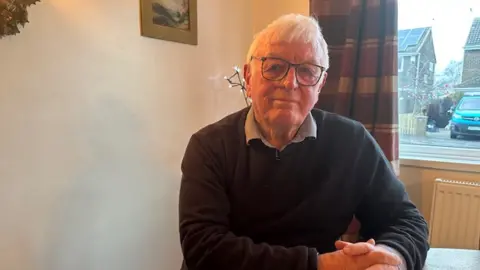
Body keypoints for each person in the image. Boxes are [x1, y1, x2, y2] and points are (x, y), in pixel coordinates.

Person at [178, 14, 429, 270]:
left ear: (320, 86)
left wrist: (391, 258)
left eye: (307, 71)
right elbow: (203, 248)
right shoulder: (207, 146)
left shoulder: (352, 142)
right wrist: (319, 264)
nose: (290, 83)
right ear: (249, 78)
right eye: (274, 67)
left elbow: (406, 220)